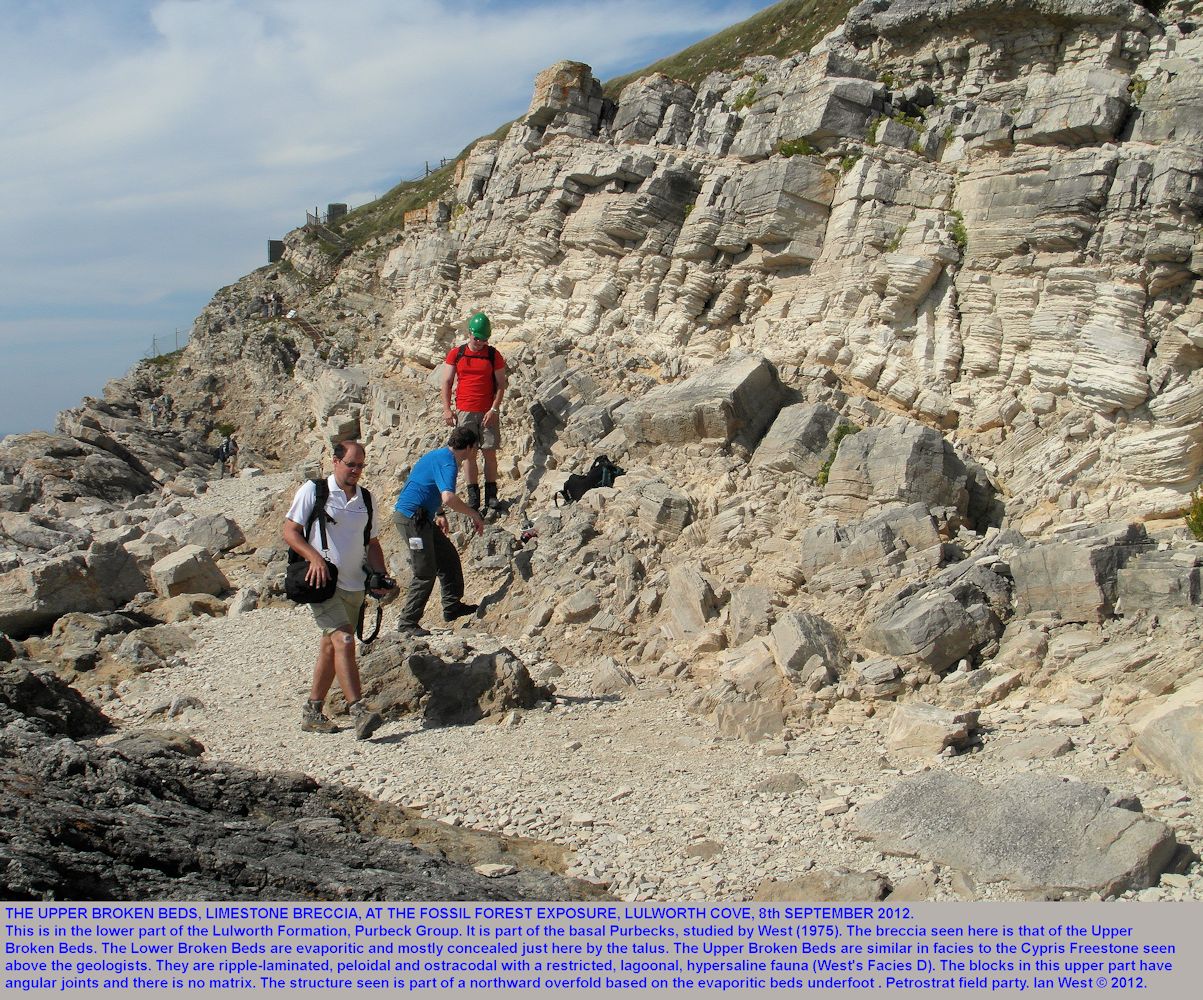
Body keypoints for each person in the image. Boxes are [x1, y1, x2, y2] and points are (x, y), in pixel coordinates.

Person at [283, 440, 391, 738]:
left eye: (360, 466)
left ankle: (312, 711)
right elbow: (290, 531)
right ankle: (358, 710)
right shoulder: (314, 491)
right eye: (351, 464)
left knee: (331, 647)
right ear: (335, 461)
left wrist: (380, 577)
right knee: (343, 640)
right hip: (322, 583)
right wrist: (314, 557)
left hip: (355, 585)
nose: (356, 470)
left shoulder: (365, 500)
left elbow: (372, 543)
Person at [392, 427, 486, 635]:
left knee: (448, 557)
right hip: (412, 521)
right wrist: (473, 514)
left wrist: (440, 514)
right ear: (470, 447)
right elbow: (448, 497)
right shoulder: (448, 462)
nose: (475, 453)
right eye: (476, 449)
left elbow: (427, 485)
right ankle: (407, 623)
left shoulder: (438, 455)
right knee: (425, 572)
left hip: (422, 518)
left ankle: (452, 606)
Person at [441, 312, 508, 512]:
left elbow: (501, 385)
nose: (480, 343)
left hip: (487, 411)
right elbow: (446, 382)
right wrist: (447, 409)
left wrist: (494, 409)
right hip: (465, 411)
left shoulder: (493, 354)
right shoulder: (457, 353)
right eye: (477, 338)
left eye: (484, 339)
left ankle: (491, 495)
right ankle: (473, 496)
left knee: (489, 452)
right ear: (469, 333)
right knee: (469, 455)